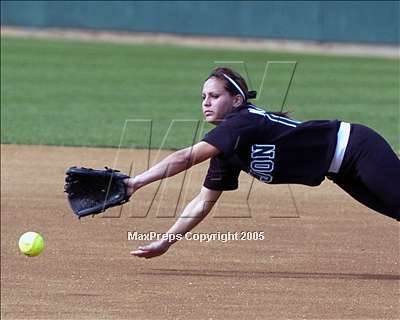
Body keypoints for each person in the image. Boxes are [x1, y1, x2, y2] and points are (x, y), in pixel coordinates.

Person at [125, 67, 400, 259]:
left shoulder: (243, 121)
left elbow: (185, 158)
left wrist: (136, 182)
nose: (206, 102)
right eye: (203, 97)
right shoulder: (226, 148)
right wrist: (166, 241)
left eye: (214, 96)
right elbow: (203, 201)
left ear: (236, 100)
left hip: (357, 147)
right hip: (340, 170)